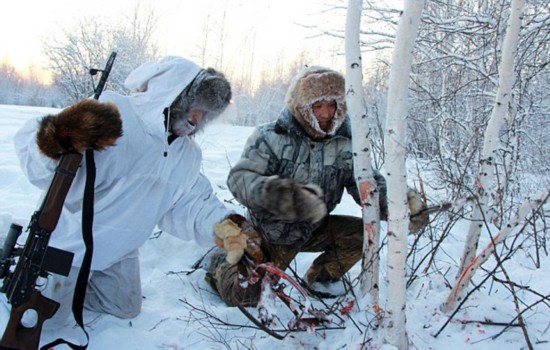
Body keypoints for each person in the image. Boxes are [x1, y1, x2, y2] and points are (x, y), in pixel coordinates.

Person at [12, 56, 247, 326]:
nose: (197, 119)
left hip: (117, 252)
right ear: (172, 94)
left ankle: (79, 286)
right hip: (71, 244)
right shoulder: (114, 115)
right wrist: (59, 137)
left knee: (125, 307)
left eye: (206, 114)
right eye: (196, 108)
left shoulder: (186, 155)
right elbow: (38, 166)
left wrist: (227, 227)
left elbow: (192, 203)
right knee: (46, 322)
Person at [205, 66, 429, 307]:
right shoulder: (271, 136)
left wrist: (397, 206)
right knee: (244, 297)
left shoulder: (345, 143)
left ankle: (320, 279)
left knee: (360, 235)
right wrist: (283, 197)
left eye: (331, 104)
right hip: (269, 233)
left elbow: (366, 184)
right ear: (303, 106)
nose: (325, 113)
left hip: (313, 229)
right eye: (317, 105)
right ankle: (220, 262)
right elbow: (240, 178)